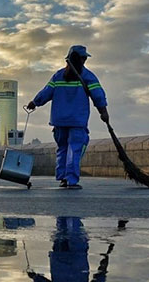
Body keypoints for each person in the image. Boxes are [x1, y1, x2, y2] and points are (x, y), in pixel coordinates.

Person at [27, 45, 109, 189]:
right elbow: (98, 95)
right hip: (77, 121)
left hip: (59, 121)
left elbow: (46, 92)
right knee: (75, 149)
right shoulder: (87, 76)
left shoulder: (58, 76)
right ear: (82, 59)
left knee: (62, 149)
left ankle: (62, 178)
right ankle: (71, 180)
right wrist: (103, 112)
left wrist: (34, 102)